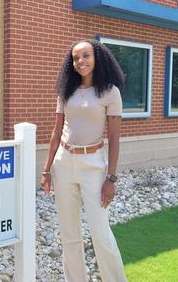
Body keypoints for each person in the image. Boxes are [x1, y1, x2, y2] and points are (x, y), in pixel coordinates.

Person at [40, 39, 128, 282]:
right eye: (76, 58)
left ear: (97, 58)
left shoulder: (110, 92)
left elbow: (114, 137)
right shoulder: (66, 91)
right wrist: (46, 170)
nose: (81, 61)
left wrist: (111, 178)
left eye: (86, 55)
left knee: (100, 234)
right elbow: (56, 133)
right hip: (64, 163)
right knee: (69, 234)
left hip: (94, 165)